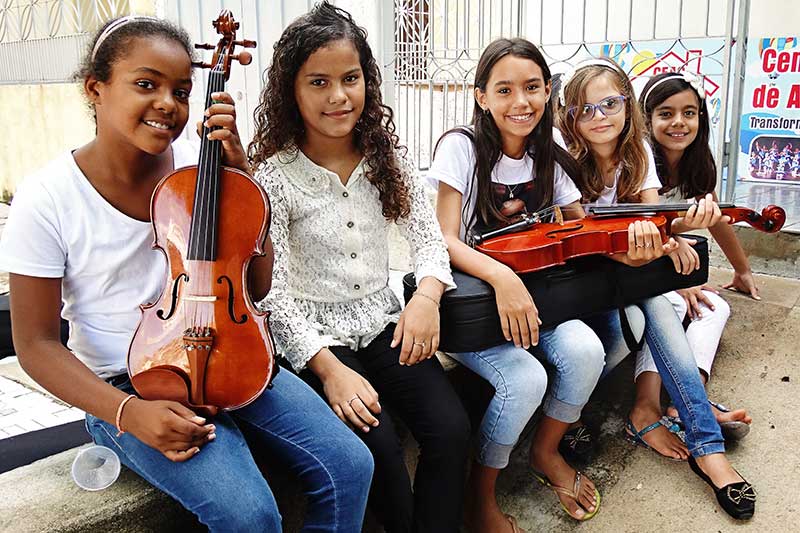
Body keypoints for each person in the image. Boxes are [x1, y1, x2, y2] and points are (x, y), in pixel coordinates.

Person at [0, 16, 373, 532]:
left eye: (181, 90)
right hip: (126, 385)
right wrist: (126, 414)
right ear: (96, 88)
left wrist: (242, 176)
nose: (168, 105)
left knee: (351, 466)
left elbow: (255, 287)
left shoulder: (205, 172)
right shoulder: (46, 199)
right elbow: (37, 345)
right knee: (251, 515)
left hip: (233, 354)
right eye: (146, 84)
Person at [427, 38, 677, 525]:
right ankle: (481, 494)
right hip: (473, 303)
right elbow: (444, 241)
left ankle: (545, 451)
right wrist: (501, 276)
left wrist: (634, 249)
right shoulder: (462, 146)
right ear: (481, 96)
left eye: (533, 88)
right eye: (504, 90)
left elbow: (582, 230)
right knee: (526, 378)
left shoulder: (550, 155)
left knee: (587, 350)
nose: (521, 102)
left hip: (535, 299)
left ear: (547, 93)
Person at [247, 3, 470, 532]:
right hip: (313, 340)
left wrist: (425, 297)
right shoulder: (273, 177)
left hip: (384, 325)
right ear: (291, 92)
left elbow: (431, 243)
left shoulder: (386, 158)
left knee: (451, 430)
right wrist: (327, 369)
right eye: (318, 82)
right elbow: (270, 295)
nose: (338, 96)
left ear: (367, 80)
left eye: (350, 78)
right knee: (381, 455)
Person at [557, 57, 756, 520]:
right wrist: (658, 250)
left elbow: (652, 219)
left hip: (625, 271)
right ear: (569, 117)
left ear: (628, 106)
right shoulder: (562, 162)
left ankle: (706, 447)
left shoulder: (638, 156)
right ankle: (598, 415)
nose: (599, 116)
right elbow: (577, 235)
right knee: (648, 306)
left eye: (610, 103)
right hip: (582, 277)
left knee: (662, 307)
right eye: (585, 109)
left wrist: (670, 241)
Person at [638, 71, 754, 440]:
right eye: (666, 113)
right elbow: (641, 229)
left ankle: (691, 399)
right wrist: (679, 280)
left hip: (672, 265)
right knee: (671, 305)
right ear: (647, 119)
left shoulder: (698, 164)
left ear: (701, 117)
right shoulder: (639, 164)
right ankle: (646, 406)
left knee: (715, 307)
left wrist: (743, 270)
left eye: (689, 112)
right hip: (642, 266)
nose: (679, 122)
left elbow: (719, 220)